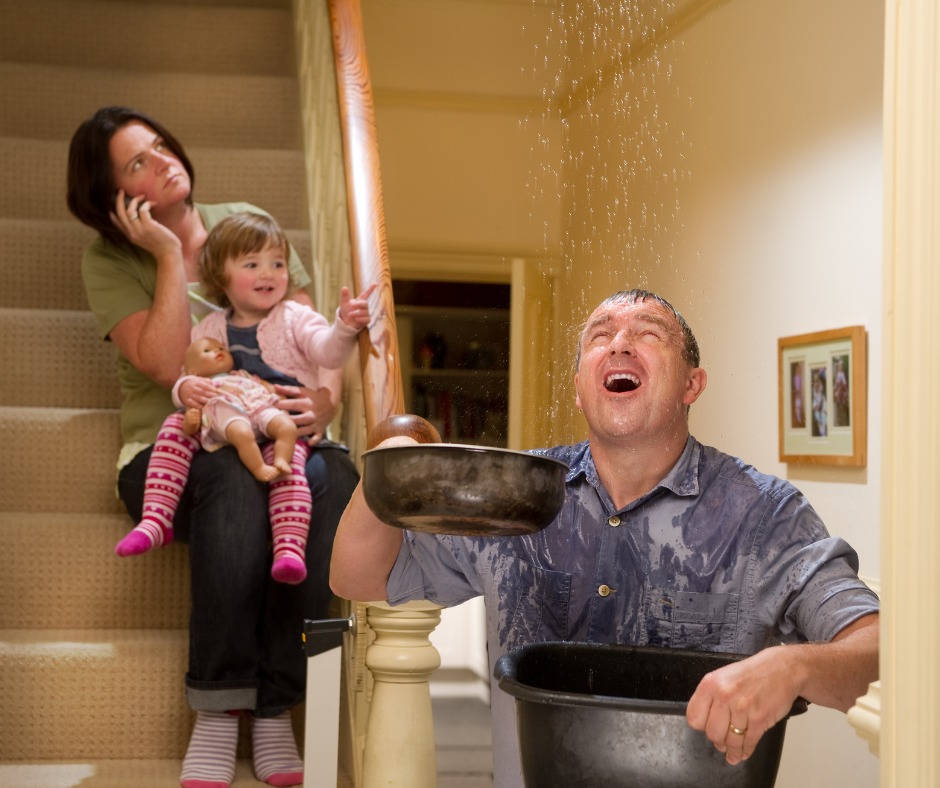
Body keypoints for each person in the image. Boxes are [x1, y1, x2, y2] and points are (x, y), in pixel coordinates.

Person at [330, 288, 880, 787]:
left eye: (647, 333)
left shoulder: (766, 514)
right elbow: (357, 576)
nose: (619, 343)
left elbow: (877, 652)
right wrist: (385, 471)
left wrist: (790, 667)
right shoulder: (516, 491)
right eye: (600, 336)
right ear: (578, 388)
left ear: (693, 384)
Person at [68, 106, 361, 788]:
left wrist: (324, 403)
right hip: (174, 445)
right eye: (137, 161)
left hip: (278, 430)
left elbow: (313, 342)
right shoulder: (109, 259)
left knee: (334, 484)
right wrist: (171, 255)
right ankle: (220, 703)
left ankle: (276, 707)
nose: (165, 160)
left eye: (162, 145)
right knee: (232, 478)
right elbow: (171, 367)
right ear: (111, 194)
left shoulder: (244, 221)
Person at [114, 211, 373, 587]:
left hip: (275, 420)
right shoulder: (209, 326)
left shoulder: (295, 316)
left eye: (278, 263)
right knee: (173, 427)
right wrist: (184, 391)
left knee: (287, 469)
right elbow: (190, 373)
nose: (269, 273)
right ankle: (156, 518)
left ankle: (288, 547)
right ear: (221, 277)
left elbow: (327, 352)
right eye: (252, 264)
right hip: (225, 419)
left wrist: (344, 327)